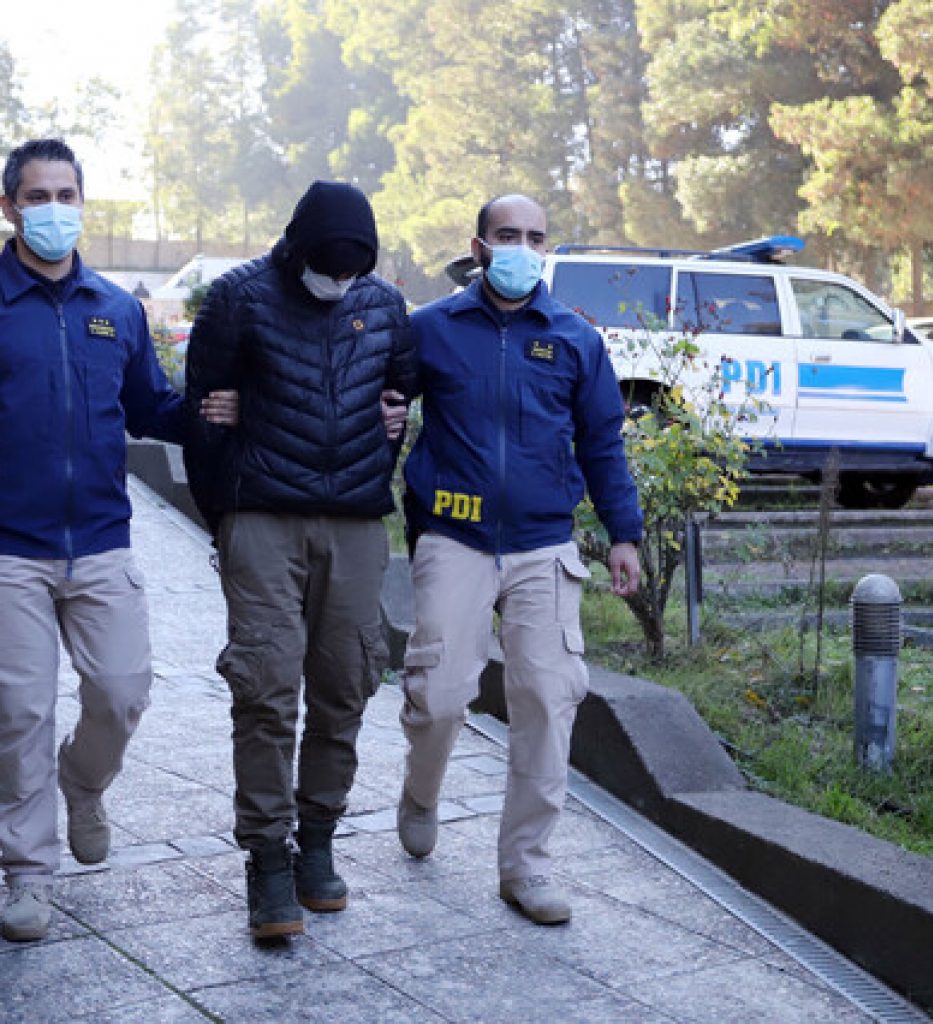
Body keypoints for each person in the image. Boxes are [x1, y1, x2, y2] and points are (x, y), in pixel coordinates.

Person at [0, 138, 237, 943]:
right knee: (18, 712)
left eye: (66, 193)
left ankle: (83, 783)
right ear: (9, 208)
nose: (54, 209)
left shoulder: (117, 308)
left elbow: (150, 409)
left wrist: (208, 410)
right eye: (38, 195)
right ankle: (28, 875)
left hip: (100, 540)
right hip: (10, 550)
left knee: (123, 691)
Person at [396, 194, 642, 925]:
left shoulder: (574, 339)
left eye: (535, 237)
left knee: (546, 694)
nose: (522, 248)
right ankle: (420, 790)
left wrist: (623, 533)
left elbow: (602, 442)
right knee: (439, 695)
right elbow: (379, 402)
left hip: (542, 543)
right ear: (478, 246)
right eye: (508, 235)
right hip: (455, 535)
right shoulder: (430, 331)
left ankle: (527, 867)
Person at [184, 180, 416, 940]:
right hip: (261, 519)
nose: (338, 283)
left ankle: (317, 839)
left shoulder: (383, 306)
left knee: (348, 681)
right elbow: (204, 418)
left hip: (353, 521)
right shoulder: (237, 298)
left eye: (352, 272)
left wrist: (393, 421)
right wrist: (229, 515)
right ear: (295, 247)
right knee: (264, 683)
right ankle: (268, 858)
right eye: (328, 269)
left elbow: (397, 397)